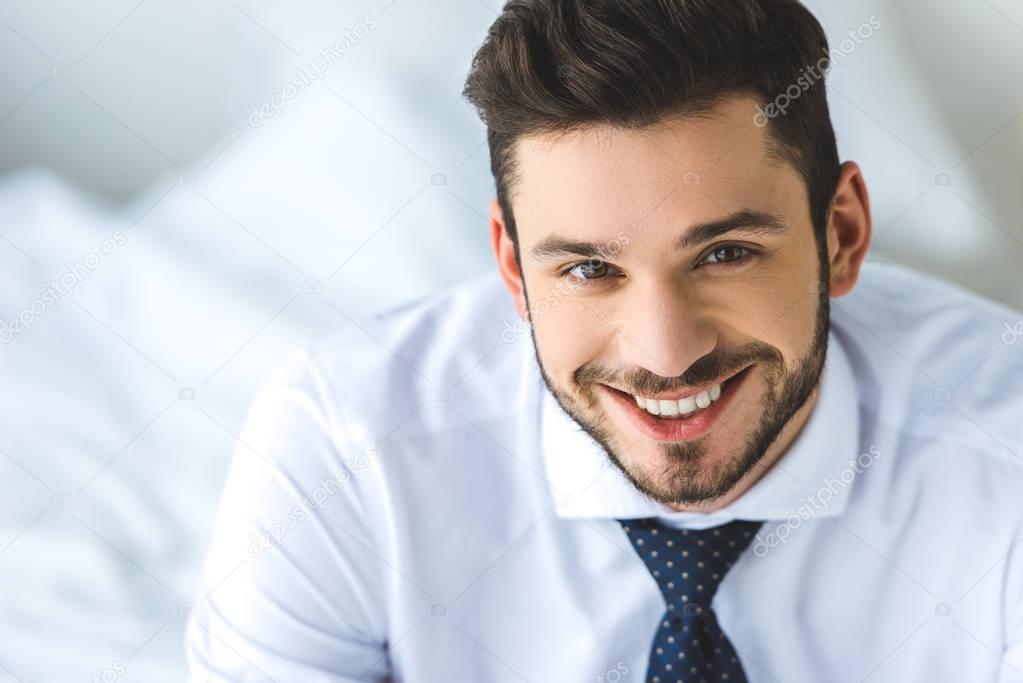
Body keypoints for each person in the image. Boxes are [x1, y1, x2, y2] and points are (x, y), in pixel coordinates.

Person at [185, 1, 1023, 680]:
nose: (664, 353)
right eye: (589, 270)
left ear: (839, 235)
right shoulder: (347, 447)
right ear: (513, 269)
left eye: (724, 254)